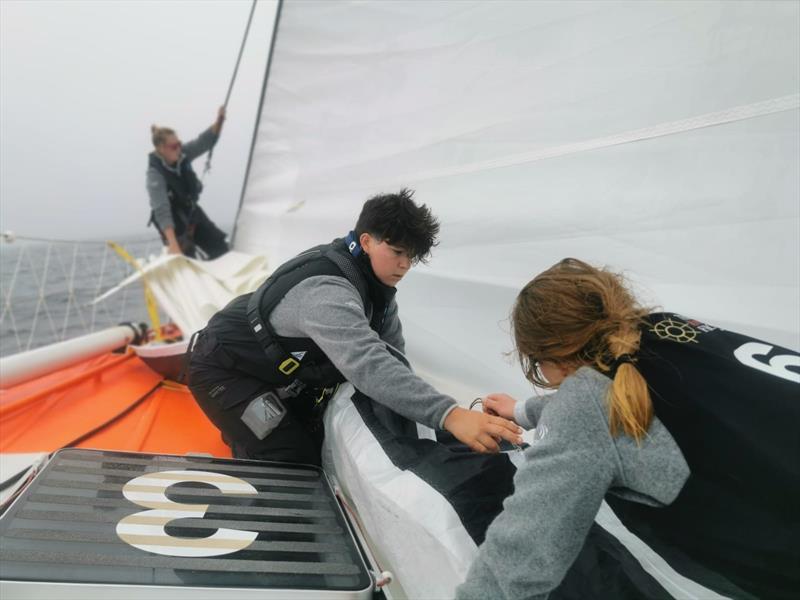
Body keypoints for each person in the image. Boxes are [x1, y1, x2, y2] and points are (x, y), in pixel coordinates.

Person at [457, 258, 799, 600]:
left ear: (552, 359)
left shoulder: (589, 405)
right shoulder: (670, 329)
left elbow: (519, 553)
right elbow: (614, 402)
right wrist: (522, 411)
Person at [187, 189, 523, 466]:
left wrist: (447, 421)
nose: (405, 265)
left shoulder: (377, 291)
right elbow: (368, 364)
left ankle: (246, 430)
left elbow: (393, 360)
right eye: (397, 252)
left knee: (319, 438)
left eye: (412, 257)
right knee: (294, 458)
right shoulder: (327, 292)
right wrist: (449, 414)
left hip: (277, 373)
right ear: (366, 241)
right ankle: (245, 446)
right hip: (223, 371)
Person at [147, 106, 229, 259]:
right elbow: (161, 209)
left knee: (220, 247)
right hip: (173, 223)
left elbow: (203, 142)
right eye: (173, 146)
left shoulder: (182, 154)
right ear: (161, 148)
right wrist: (173, 244)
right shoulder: (155, 174)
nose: (178, 149)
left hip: (191, 212)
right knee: (185, 259)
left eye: (179, 144)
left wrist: (219, 121)